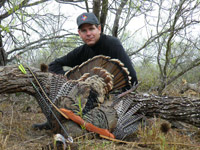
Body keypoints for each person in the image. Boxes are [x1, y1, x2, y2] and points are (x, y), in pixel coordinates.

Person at [48, 12, 138, 87]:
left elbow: (132, 78)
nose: (88, 33)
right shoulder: (80, 52)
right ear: (79, 33)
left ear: (99, 29)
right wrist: (70, 79)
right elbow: (53, 65)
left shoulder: (113, 44)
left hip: (115, 94)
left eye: (91, 29)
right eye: (84, 31)